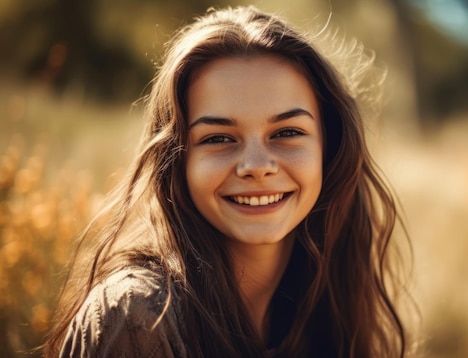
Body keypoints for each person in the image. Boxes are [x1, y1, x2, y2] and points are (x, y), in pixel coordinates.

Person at [44, 6, 413, 357]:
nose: (256, 166)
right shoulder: (138, 317)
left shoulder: (328, 303)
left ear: (328, 148)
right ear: (178, 161)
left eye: (286, 132)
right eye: (218, 138)